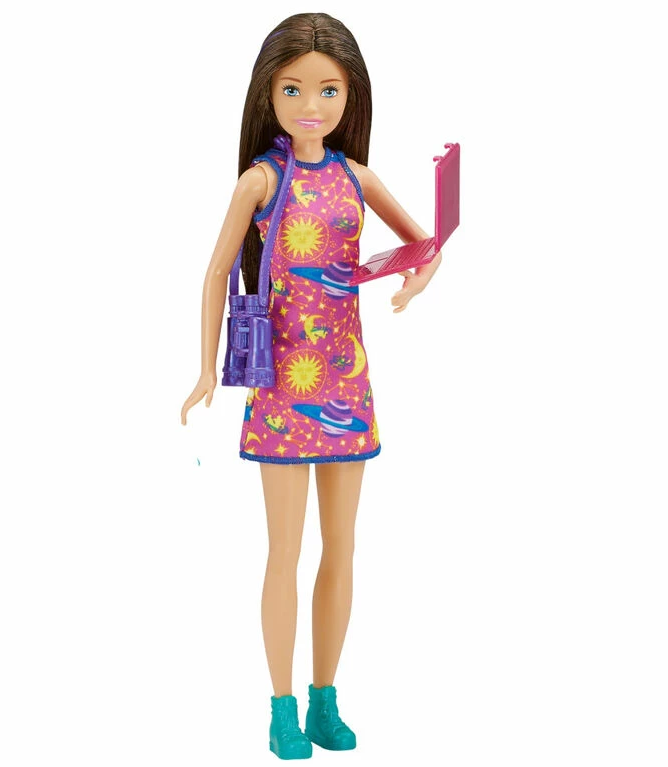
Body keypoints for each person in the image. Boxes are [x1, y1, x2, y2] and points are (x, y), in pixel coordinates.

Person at [181, 13, 442, 760]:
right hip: (281, 389)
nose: (310, 105)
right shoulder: (261, 180)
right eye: (293, 89)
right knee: (283, 553)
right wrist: (205, 367)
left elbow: (424, 243)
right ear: (268, 93)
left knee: (342, 549)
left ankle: (326, 698)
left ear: (349, 96)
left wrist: (417, 279)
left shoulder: (357, 178)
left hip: (347, 382)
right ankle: (281, 708)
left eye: (328, 90)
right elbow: (214, 272)